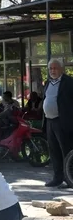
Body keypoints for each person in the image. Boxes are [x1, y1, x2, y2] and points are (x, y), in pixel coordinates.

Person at [43, 58, 73, 187]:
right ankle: (57, 178)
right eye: (50, 68)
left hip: (63, 121)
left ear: (61, 69)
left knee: (66, 150)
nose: (52, 71)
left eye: (55, 68)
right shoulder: (48, 83)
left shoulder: (69, 82)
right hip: (50, 121)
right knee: (53, 150)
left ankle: (69, 178)